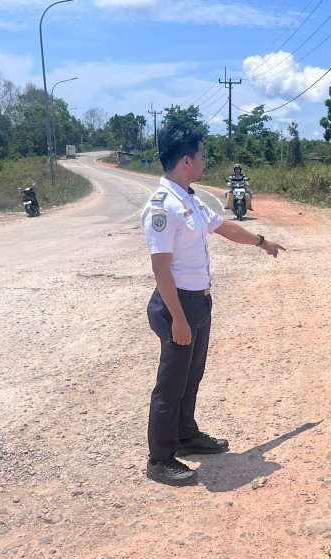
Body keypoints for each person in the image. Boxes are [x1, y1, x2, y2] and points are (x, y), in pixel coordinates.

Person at [141, 124, 285, 486]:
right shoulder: (163, 207)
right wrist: (177, 319)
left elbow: (225, 228)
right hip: (178, 306)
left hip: (199, 303)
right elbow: (161, 269)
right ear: (186, 160)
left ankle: (186, 435)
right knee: (171, 383)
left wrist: (261, 241)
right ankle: (159, 458)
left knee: (191, 376)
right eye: (202, 156)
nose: (205, 162)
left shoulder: (191, 199)